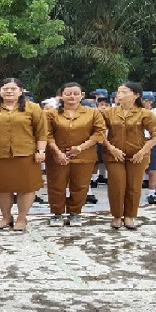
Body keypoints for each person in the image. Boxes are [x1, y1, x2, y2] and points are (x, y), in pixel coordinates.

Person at [0, 77, 47, 232]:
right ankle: (6, 217)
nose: (8, 91)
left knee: (26, 188)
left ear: (21, 91)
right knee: (2, 188)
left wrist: (41, 151)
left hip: (26, 154)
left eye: (13, 89)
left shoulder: (33, 108)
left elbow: (41, 132)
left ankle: (22, 218)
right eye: (5, 88)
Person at [44, 82, 106, 227]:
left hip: (84, 156)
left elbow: (99, 133)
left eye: (76, 93)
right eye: (68, 93)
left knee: (80, 186)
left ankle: (75, 213)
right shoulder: (51, 114)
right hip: (57, 156)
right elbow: (46, 134)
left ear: (82, 95)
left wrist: (79, 148)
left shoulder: (92, 112)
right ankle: (57, 213)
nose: (72, 96)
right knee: (56, 185)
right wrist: (57, 152)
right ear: (61, 96)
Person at [101, 82, 156, 229]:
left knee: (134, 186)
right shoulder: (109, 112)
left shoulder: (145, 113)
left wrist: (142, 152)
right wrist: (111, 148)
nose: (120, 95)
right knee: (116, 185)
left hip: (137, 155)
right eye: (118, 92)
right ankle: (116, 215)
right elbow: (100, 133)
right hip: (114, 155)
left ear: (136, 95)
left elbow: (155, 136)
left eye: (125, 92)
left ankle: (129, 216)